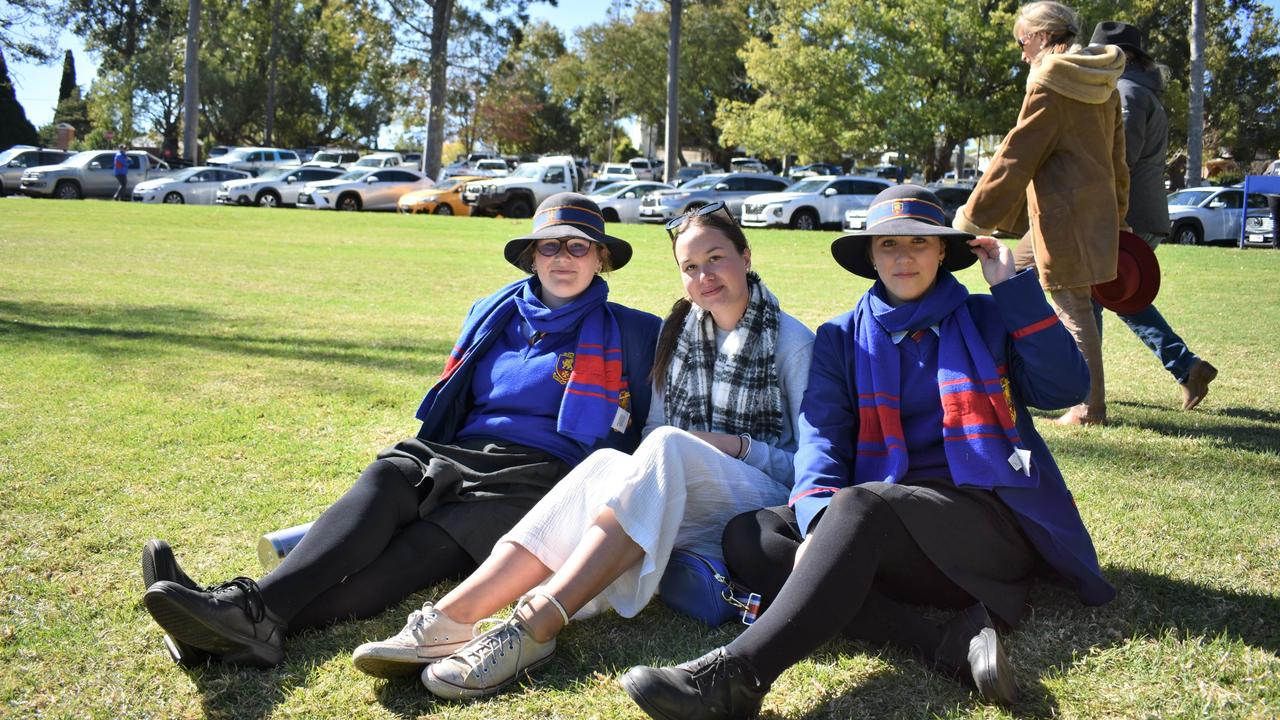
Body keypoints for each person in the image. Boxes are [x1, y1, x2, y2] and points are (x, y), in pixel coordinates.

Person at [619, 185, 1115, 720]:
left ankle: (739, 675)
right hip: (890, 530)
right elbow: (823, 438)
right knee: (750, 536)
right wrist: (813, 525)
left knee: (857, 505)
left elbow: (1065, 387)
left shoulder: (986, 317)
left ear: (942, 251)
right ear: (871, 256)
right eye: (887, 245)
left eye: (918, 244)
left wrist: (1013, 290)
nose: (903, 257)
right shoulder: (841, 338)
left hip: (985, 519)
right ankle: (940, 642)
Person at [141, 193, 661, 668]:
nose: (562, 258)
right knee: (386, 478)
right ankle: (241, 613)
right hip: (457, 451)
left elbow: (659, 418)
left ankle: (232, 620)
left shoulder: (636, 331)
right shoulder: (494, 313)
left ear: (601, 259)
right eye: (550, 246)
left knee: (412, 554)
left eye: (578, 246)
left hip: (539, 479)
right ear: (532, 257)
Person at [350, 201, 815, 700]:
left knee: (666, 447)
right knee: (606, 464)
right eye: (690, 266)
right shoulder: (677, 336)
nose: (705, 276)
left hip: (761, 498)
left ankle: (533, 628)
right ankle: (450, 619)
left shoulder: (792, 342)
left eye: (717, 258)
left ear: (745, 257)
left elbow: (806, 466)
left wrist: (733, 446)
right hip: (685, 485)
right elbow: (653, 434)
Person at [953, 1, 1127, 426]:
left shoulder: (1051, 82)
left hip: (1063, 214)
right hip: (1090, 210)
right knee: (1017, 279)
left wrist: (971, 219)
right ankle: (1016, 372)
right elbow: (1118, 157)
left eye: (1022, 41)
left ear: (1044, 37)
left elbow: (1016, 154)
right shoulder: (1103, 81)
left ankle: (1089, 409)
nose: (1021, 52)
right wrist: (1119, 211)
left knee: (1073, 305)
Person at [1088, 21, 1218, 410]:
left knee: (1093, 296)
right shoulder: (1140, 90)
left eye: (1097, 54)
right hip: (1139, 214)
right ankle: (1187, 367)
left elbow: (1119, 160)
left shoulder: (1126, 92)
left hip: (1128, 216)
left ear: (1119, 57)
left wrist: (1109, 214)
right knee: (1120, 297)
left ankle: (1086, 394)